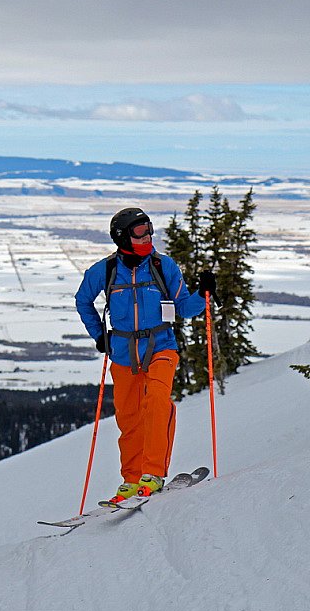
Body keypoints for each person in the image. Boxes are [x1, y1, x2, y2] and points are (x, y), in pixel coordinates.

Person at [75, 207, 215, 504]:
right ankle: (131, 479)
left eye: (150, 229)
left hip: (161, 346)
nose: (147, 236)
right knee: (128, 419)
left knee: (157, 403)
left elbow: (184, 307)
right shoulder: (106, 270)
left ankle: (153, 473)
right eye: (140, 231)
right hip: (124, 353)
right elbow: (83, 300)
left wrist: (204, 294)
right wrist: (99, 335)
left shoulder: (164, 266)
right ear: (121, 236)